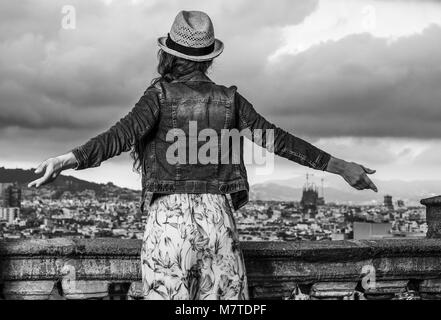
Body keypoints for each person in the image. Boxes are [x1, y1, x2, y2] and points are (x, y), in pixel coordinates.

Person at [28, 10, 377, 300]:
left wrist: (66, 159)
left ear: (168, 53)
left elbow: (119, 136)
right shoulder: (230, 100)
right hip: (217, 219)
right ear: (209, 57)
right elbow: (279, 141)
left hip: (169, 222)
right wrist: (342, 166)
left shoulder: (159, 96)